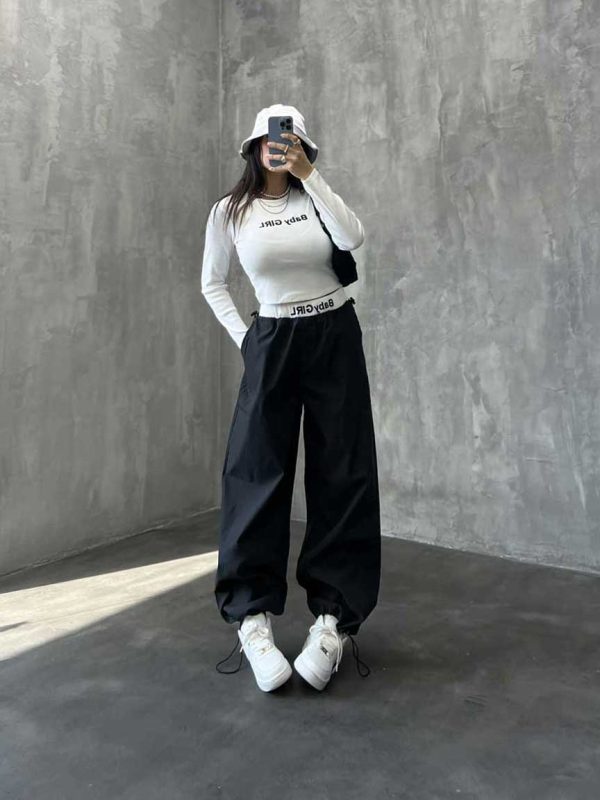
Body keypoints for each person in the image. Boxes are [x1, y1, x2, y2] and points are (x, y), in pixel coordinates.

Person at [201, 103, 381, 692]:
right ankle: (251, 618)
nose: (279, 148)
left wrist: (311, 175)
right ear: (254, 147)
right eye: (271, 141)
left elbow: (354, 237)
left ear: (302, 146)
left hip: (333, 331)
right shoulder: (230, 211)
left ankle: (334, 621)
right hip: (273, 336)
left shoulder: (315, 196)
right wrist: (247, 340)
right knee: (255, 471)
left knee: (342, 470)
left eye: (291, 141)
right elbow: (212, 282)